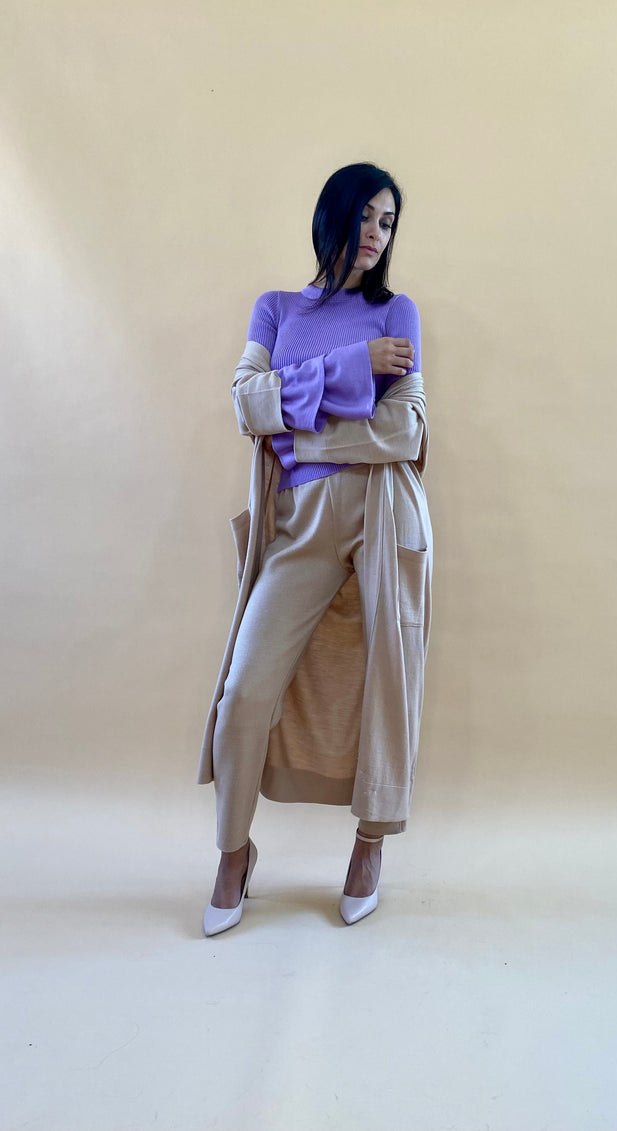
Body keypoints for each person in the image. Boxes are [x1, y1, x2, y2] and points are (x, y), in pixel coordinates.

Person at [197, 162, 432, 934]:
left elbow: (406, 431)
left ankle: (370, 842)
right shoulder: (276, 309)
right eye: (364, 216)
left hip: (380, 509)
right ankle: (235, 852)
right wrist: (353, 367)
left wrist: (300, 421)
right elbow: (244, 404)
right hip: (298, 524)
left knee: (388, 678)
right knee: (243, 693)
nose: (374, 234)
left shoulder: (398, 311)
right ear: (332, 216)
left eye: (387, 222)